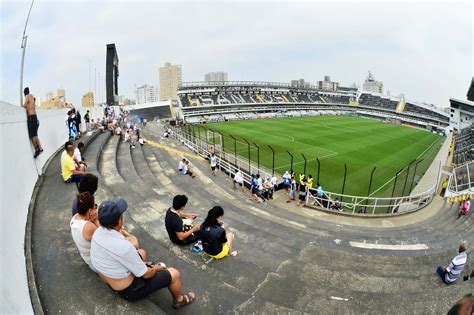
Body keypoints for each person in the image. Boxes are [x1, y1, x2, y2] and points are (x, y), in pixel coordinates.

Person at [90, 198, 196, 307]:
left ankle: (148, 273)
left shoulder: (97, 233)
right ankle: (179, 300)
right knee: (174, 274)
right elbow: (146, 275)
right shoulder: (124, 247)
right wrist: (155, 269)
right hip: (129, 290)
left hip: (111, 279)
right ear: (119, 221)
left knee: (141, 252)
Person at [70, 192, 99, 271]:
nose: (95, 209)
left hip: (86, 257)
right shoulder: (88, 227)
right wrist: (95, 220)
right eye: (94, 207)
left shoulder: (75, 217)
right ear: (90, 211)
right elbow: (105, 238)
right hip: (96, 263)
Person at [22, 87, 43, 158]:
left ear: (24, 93)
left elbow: (24, 105)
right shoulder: (32, 97)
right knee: (36, 134)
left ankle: (37, 149)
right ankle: (40, 148)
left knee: (32, 135)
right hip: (35, 117)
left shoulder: (27, 96)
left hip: (31, 117)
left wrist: (23, 105)